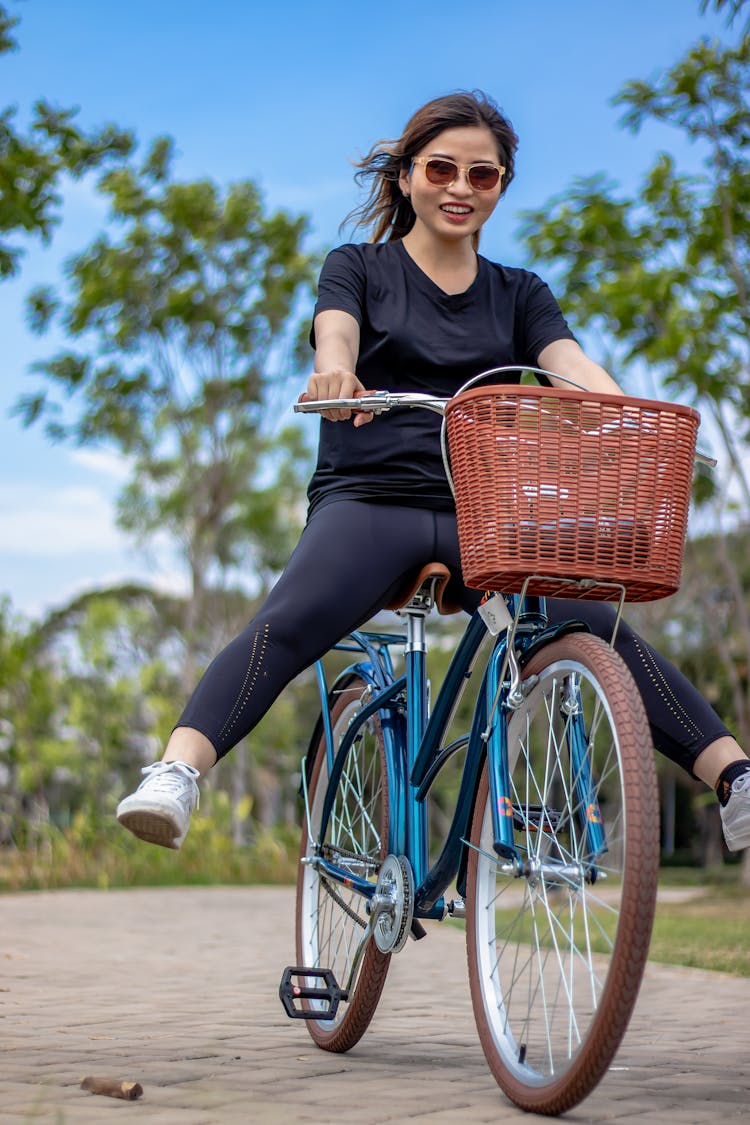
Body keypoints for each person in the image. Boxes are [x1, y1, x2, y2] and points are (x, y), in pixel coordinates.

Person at [116, 90, 750, 855]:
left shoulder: (520, 293)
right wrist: (336, 373)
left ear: (502, 187)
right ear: (408, 175)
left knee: (596, 622)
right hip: (370, 497)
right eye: (442, 168)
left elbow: (572, 366)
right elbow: (335, 333)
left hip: (486, 514)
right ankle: (177, 774)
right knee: (293, 621)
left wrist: (627, 412)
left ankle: (736, 780)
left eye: (482, 176)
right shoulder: (359, 267)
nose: (460, 187)